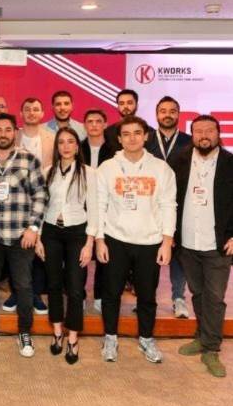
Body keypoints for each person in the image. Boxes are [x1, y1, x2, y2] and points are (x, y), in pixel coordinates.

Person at [95, 115, 176, 364]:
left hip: (149, 242)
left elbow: (168, 205)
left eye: (137, 133)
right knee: (111, 293)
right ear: (119, 139)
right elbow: (99, 205)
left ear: (146, 136)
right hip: (115, 239)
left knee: (147, 296)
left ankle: (146, 338)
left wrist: (166, 242)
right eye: (126, 134)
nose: (132, 138)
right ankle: (110, 337)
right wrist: (99, 239)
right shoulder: (107, 168)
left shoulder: (161, 168)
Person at [0, 113, 47, 358]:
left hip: (20, 235)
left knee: (23, 285)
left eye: (7, 129)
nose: (3, 134)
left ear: (15, 132)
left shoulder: (29, 160)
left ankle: (24, 332)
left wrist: (33, 228)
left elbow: (40, 195)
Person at [171, 115, 233, 377]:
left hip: (218, 244)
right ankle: (201, 335)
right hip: (187, 241)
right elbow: (169, 199)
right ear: (192, 134)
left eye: (210, 130)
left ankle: (211, 348)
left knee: (215, 297)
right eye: (198, 131)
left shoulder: (231, 164)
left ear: (219, 133)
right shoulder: (179, 161)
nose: (204, 135)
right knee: (197, 293)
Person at [36, 127, 98, 364]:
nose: (66, 146)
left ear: (77, 146)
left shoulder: (89, 173)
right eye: (61, 142)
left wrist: (89, 243)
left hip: (77, 232)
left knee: (75, 286)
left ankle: (73, 337)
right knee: (53, 284)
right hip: (51, 231)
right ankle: (57, 332)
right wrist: (39, 238)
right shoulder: (47, 172)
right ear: (56, 147)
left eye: (70, 141)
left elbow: (94, 209)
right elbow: (41, 207)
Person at [4, 97, 53, 314]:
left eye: (36, 109)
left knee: (39, 247)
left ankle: (36, 294)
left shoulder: (52, 138)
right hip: (15, 202)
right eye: (27, 109)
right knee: (16, 248)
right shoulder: (12, 136)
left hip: (43, 199)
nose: (31, 112)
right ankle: (16, 291)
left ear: (42, 113)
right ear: (21, 114)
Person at [146, 96, 192, 319]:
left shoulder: (189, 141)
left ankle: (178, 298)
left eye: (172, 111)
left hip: (181, 204)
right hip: (150, 205)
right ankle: (147, 297)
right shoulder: (146, 141)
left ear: (178, 115)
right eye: (163, 111)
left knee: (178, 253)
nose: (167, 115)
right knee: (149, 253)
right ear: (156, 114)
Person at [80, 108, 114, 313]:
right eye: (90, 121)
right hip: (81, 208)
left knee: (104, 253)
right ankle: (80, 294)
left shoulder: (115, 150)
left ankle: (100, 295)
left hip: (108, 208)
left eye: (98, 121)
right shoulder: (77, 147)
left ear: (105, 124)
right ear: (84, 125)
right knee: (81, 253)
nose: (94, 125)